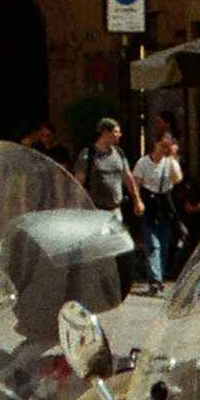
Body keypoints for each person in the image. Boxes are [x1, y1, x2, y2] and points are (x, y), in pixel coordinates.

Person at [78, 116, 142, 290]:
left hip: (115, 210)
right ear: (105, 133)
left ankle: (111, 281)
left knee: (114, 247)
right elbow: (79, 182)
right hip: (95, 211)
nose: (119, 135)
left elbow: (128, 178)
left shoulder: (119, 153)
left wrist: (137, 200)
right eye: (116, 132)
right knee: (97, 248)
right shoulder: (88, 154)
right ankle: (94, 280)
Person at [131, 124, 184, 291]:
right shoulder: (143, 163)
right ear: (155, 143)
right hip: (149, 206)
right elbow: (135, 183)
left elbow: (177, 179)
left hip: (164, 206)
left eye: (166, 146)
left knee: (164, 242)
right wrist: (137, 201)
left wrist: (172, 157)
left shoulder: (170, 163)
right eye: (162, 144)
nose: (163, 148)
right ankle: (155, 280)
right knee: (152, 243)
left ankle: (158, 276)